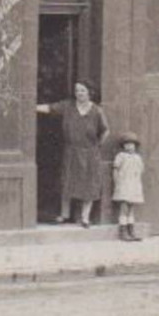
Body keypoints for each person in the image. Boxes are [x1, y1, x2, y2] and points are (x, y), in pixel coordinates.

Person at [36, 80, 111, 227]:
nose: (79, 93)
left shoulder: (97, 111)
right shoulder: (68, 106)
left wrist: (97, 145)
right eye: (77, 91)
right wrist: (31, 107)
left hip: (90, 153)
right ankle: (65, 215)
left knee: (89, 185)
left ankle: (85, 218)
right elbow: (50, 108)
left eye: (82, 90)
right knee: (67, 182)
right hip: (71, 151)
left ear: (89, 92)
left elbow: (106, 130)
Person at [112, 132, 146, 242]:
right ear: (123, 146)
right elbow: (115, 169)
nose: (129, 146)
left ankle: (131, 230)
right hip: (124, 183)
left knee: (131, 208)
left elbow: (140, 170)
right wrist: (117, 182)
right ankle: (123, 230)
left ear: (135, 146)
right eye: (126, 144)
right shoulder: (121, 156)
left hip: (134, 184)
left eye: (132, 144)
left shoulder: (137, 158)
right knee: (124, 207)